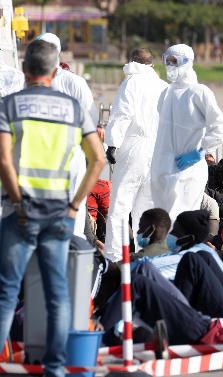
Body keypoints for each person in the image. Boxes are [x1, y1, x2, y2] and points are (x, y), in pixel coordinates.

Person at [0, 40, 105, 377]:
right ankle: (55, 368)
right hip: (59, 212)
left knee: (6, 292)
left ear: (26, 68)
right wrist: (75, 206)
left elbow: (4, 159)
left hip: (21, 211)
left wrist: (16, 200)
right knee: (57, 295)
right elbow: (98, 158)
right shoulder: (72, 108)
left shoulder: (9, 105)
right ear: (55, 68)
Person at [151, 44, 223, 224]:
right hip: (165, 172)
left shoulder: (199, 92)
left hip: (189, 171)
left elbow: (219, 126)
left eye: (174, 61)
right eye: (167, 61)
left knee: (183, 224)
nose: (170, 65)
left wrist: (200, 152)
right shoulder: (166, 93)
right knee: (164, 224)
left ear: (187, 62)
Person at [104, 48, 169, 261]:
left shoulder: (131, 83)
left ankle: (115, 257)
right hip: (157, 151)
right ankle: (147, 255)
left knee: (120, 206)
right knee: (146, 209)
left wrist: (112, 143)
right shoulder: (163, 86)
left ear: (131, 61)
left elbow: (122, 114)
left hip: (134, 148)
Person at [36, 33, 97, 239]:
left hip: (71, 155)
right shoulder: (30, 81)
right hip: (41, 158)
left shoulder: (73, 82)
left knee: (74, 213)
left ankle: (74, 254)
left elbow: (91, 116)